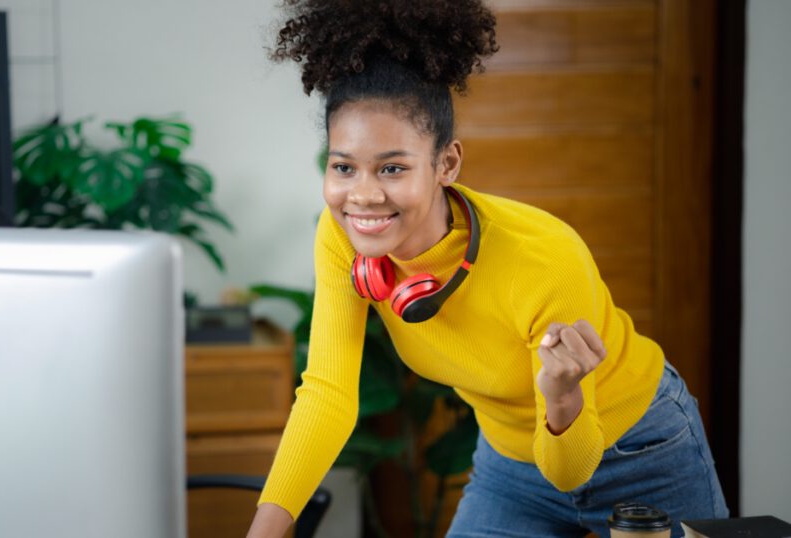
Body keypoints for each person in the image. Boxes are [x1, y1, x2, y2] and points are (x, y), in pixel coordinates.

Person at [246, 1, 729, 537]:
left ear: (446, 164)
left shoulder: (542, 257)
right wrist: (265, 530)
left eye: (392, 167)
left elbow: (571, 467)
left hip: (641, 448)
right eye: (343, 166)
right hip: (511, 465)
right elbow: (328, 394)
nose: (362, 195)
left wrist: (564, 392)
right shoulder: (343, 237)